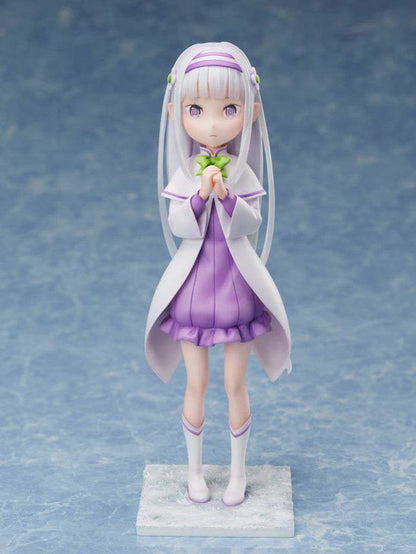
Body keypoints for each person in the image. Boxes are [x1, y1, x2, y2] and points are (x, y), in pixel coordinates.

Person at [144, 42, 292, 507]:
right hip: (193, 291)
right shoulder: (186, 172)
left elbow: (250, 223)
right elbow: (179, 225)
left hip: (235, 289)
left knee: (234, 385)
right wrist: (199, 196)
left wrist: (226, 195)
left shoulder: (243, 172)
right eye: (196, 109)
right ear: (177, 112)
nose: (211, 124)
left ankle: (237, 473)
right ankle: (194, 473)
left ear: (250, 111)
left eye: (229, 109)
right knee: (196, 384)